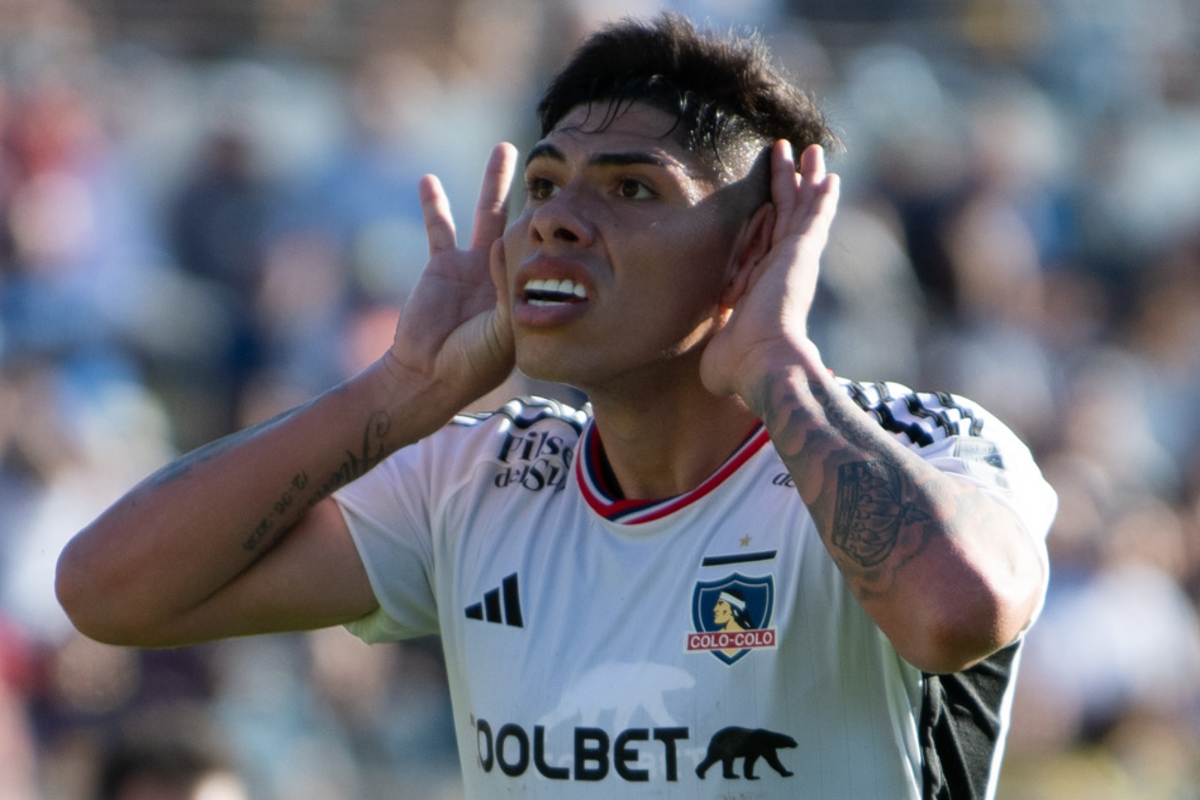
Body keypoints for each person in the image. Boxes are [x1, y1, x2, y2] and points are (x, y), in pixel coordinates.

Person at [56, 14, 1057, 799]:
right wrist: (399, 391)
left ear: (755, 251)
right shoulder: (479, 475)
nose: (558, 221)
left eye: (631, 190)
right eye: (544, 183)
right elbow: (109, 591)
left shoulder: (918, 444)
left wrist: (778, 364)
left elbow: (955, 613)